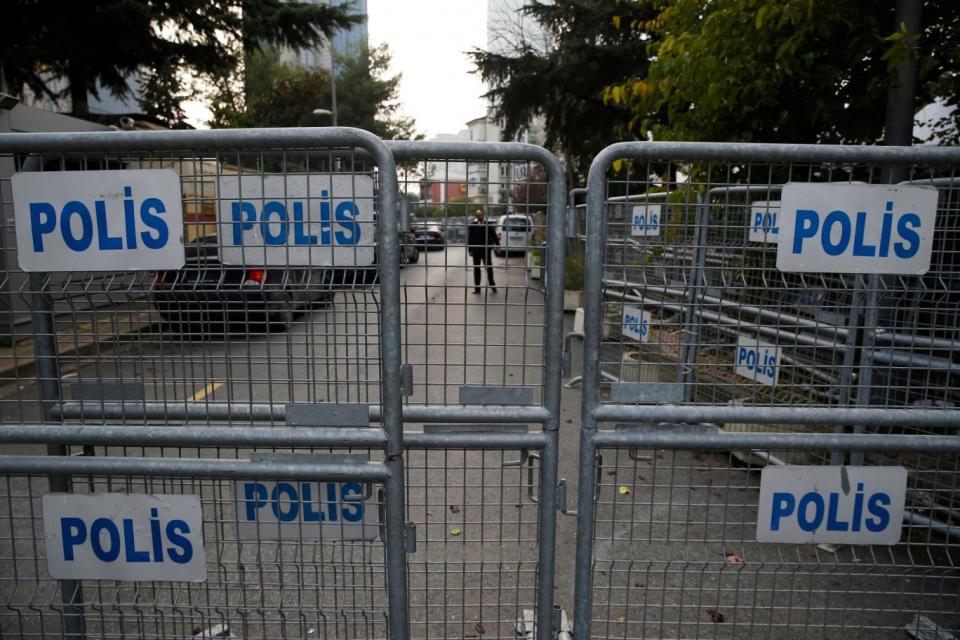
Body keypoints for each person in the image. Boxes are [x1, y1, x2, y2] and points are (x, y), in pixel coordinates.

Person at [467, 208, 498, 294]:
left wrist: (498, 246)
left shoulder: (488, 225)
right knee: (477, 269)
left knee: (489, 269)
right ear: (476, 216)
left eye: (481, 215)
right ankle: (477, 289)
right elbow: (470, 238)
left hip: (486, 251)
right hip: (476, 251)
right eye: (478, 215)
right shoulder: (472, 225)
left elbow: (494, 235)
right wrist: (470, 250)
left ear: (483, 216)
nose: (480, 216)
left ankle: (492, 285)